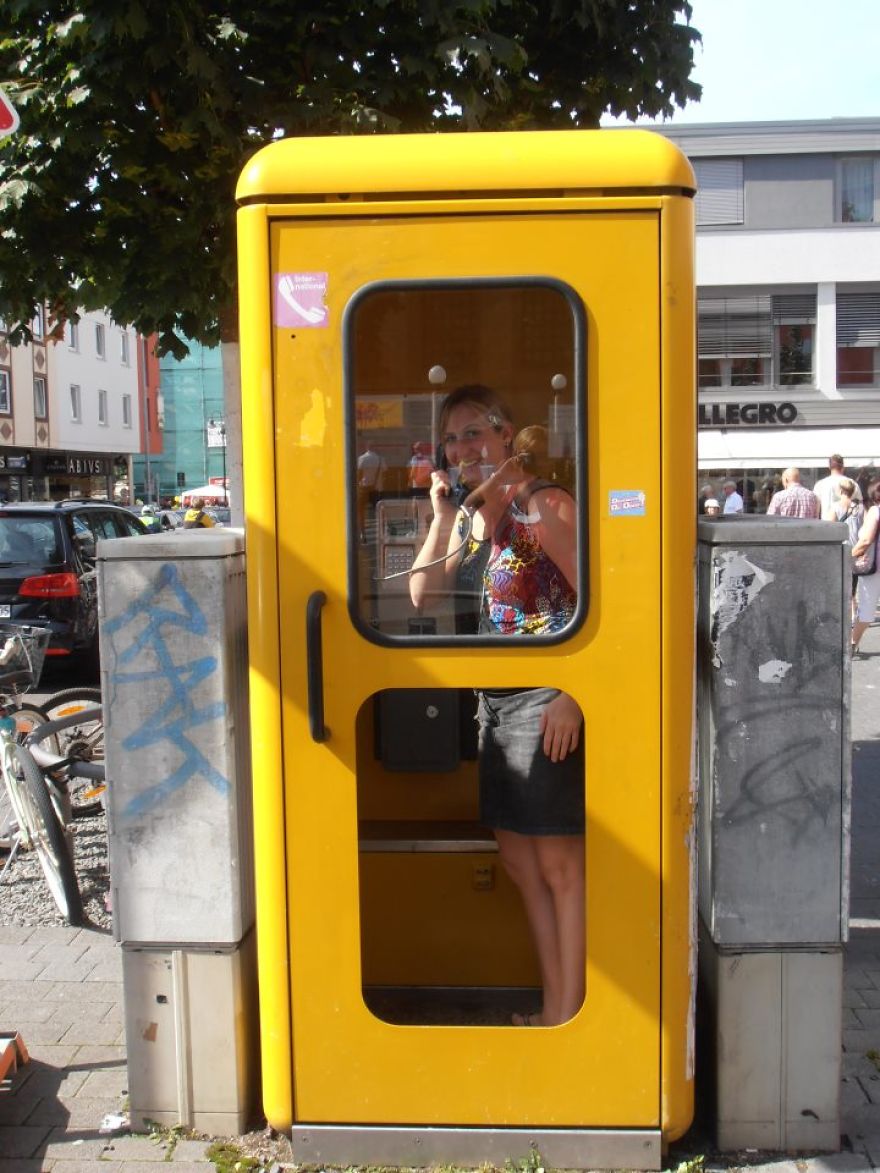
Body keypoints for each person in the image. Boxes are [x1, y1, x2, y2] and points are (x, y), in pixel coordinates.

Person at [409, 385, 583, 1028]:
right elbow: (423, 597)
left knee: (560, 868)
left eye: (476, 432)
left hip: (547, 703)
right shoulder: (481, 519)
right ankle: (555, 1005)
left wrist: (577, 694)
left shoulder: (545, 505)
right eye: (452, 440)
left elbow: (613, 602)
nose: (464, 449)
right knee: (520, 863)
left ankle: (570, 1017)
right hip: (496, 702)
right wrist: (442, 516)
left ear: (508, 435)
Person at [851, 475, 880, 657]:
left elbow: (866, 540)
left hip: (874, 568)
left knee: (867, 610)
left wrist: (848, 555)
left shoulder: (875, 511)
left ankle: (851, 645)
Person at [356, 443, 386, 542]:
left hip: (364, 488)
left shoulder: (362, 458)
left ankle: (362, 534)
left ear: (366, 447)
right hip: (377, 489)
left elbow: (358, 474)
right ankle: (382, 534)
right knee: (379, 512)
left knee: (361, 512)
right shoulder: (380, 459)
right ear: (375, 448)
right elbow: (385, 471)